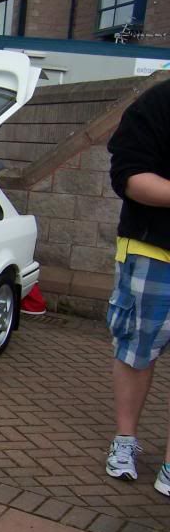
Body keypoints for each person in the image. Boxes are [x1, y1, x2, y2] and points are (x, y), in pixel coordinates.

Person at [104, 78, 170, 497]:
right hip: (153, 251)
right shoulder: (160, 102)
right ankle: (125, 441)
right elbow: (129, 177)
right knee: (135, 350)